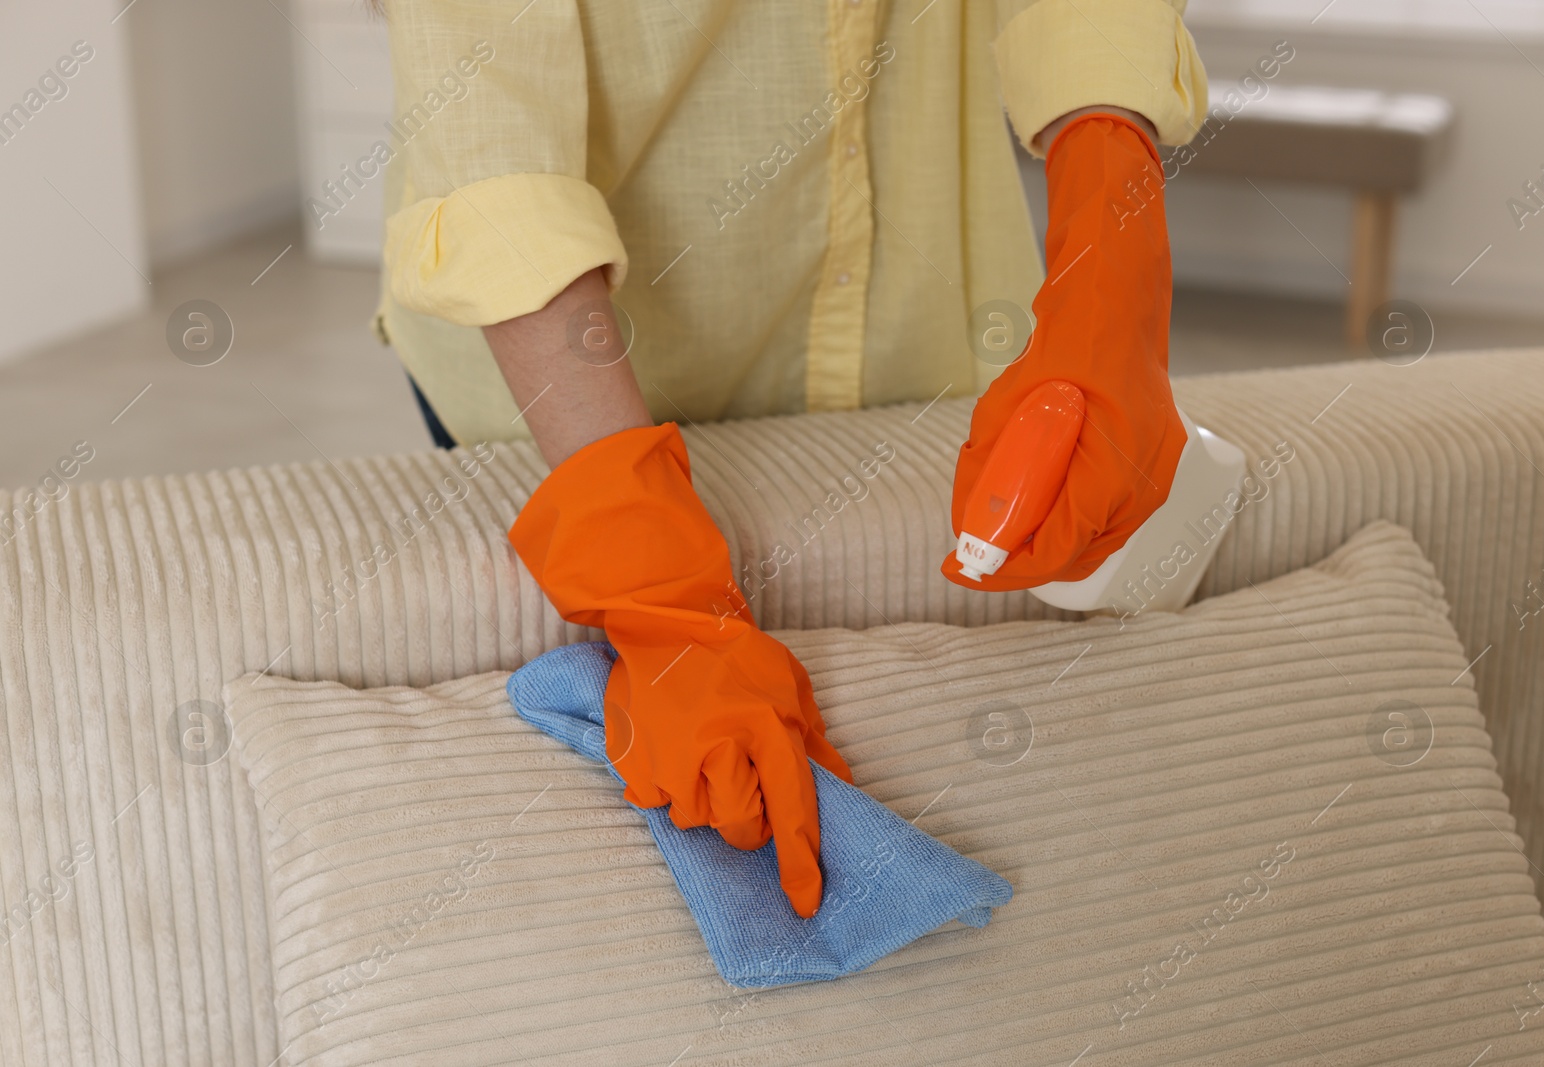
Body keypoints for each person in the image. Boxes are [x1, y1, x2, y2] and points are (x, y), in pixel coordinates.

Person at [372, 0, 1208, 918]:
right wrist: (656, 589)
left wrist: (1109, 268)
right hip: (564, 371)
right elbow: (500, 153)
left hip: (916, 315)